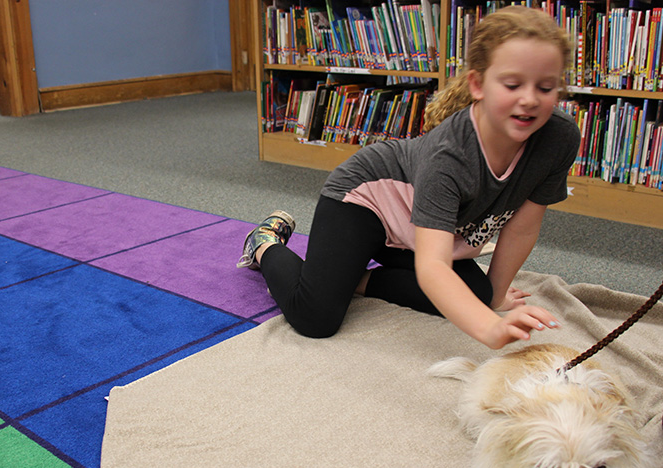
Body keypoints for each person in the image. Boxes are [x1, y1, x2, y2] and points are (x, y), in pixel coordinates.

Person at [237, 5, 580, 350]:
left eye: (546, 87)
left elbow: (522, 227)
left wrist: (494, 299)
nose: (529, 100)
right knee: (315, 318)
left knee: (478, 294)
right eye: (512, 84)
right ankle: (264, 242)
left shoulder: (559, 137)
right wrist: (490, 328)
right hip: (366, 202)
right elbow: (432, 267)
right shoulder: (451, 154)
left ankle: (352, 277)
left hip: (414, 232)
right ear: (478, 84)